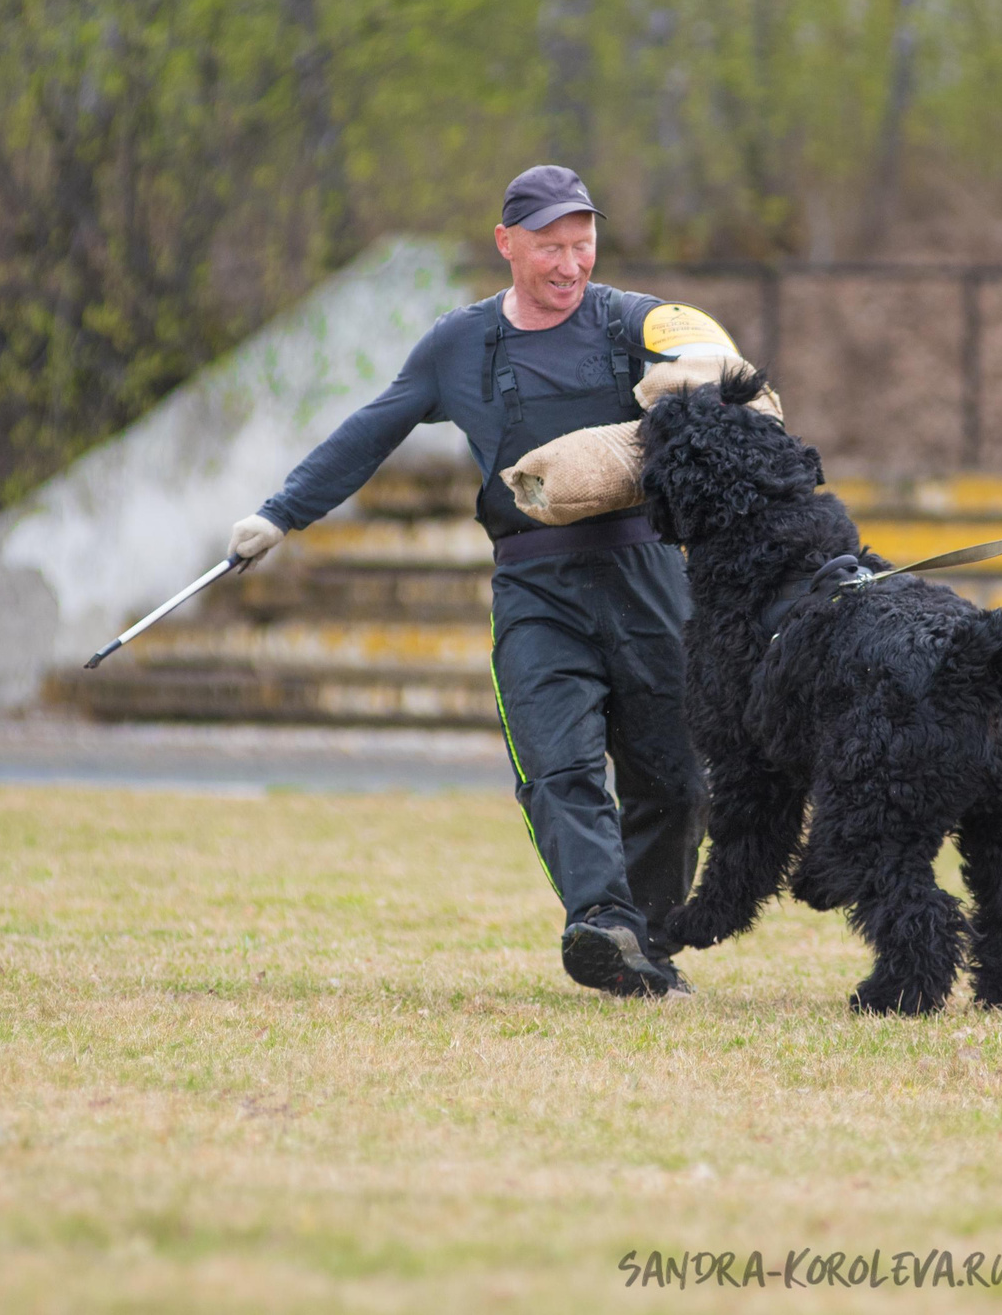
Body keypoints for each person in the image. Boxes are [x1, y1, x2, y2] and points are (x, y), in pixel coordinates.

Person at [229, 165, 738, 999]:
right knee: (559, 766)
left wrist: (709, 367)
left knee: (679, 781)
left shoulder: (630, 318)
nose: (570, 263)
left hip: (648, 574)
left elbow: (706, 342)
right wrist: (282, 513)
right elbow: (373, 428)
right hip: (537, 588)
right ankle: (604, 922)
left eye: (583, 244)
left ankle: (643, 943)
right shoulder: (459, 345)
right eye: (550, 247)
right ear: (508, 245)